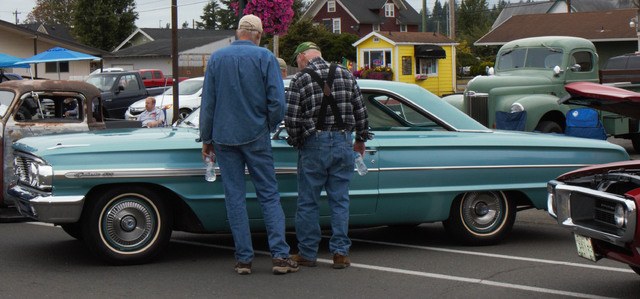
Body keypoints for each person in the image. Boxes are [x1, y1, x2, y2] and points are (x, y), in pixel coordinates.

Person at [199, 14, 298, 276]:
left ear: (238, 32)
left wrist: (206, 138)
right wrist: (268, 125)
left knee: (234, 197)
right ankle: (279, 256)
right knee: (268, 194)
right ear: (257, 34)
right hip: (256, 135)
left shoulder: (217, 58)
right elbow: (278, 102)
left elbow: (208, 102)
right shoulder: (265, 58)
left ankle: (243, 259)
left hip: (223, 136)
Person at [285, 41, 371, 269]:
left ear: (303, 56)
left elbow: (291, 119)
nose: (298, 64)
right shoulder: (345, 74)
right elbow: (360, 110)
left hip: (314, 144)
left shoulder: (300, 79)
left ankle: (307, 253)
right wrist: (360, 139)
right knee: (340, 200)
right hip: (343, 142)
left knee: (307, 202)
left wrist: (297, 141)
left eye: (297, 60)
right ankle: (341, 253)